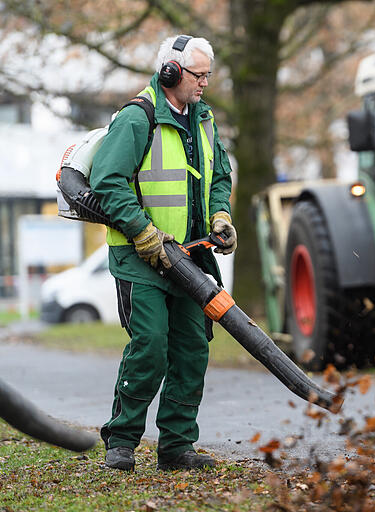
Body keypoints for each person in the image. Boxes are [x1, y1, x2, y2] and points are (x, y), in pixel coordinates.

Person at [90, 35, 236, 471]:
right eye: (199, 74)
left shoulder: (204, 121)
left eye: (209, 75)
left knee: (192, 349)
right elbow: (108, 184)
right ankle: (121, 441)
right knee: (151, 346)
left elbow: (220, 177)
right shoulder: (138, 118)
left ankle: (176, 447)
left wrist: (222, 216)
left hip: (191, 260)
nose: (205, 83)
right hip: (142, 259)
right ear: (170, 72)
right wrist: (143, 232)